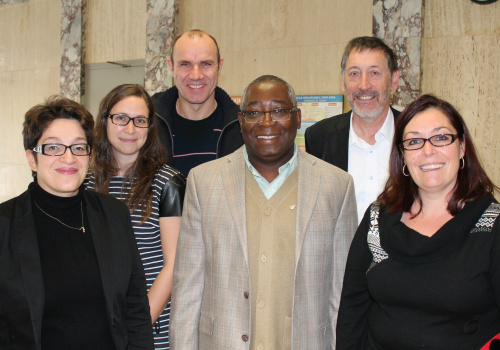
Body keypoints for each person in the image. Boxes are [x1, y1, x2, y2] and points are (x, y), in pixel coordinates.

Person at [170, 75, 358, 349]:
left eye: (279, 111)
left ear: (297, 117)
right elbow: (188, 287)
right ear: (241, 121)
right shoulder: (204, 182)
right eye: (254, 112)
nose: (267, 122)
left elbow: (342, 293)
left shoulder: (336, 186)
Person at [336, 94, 500, 349]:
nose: (427, 151)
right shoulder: (378, 218)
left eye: (441, 138)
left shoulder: (492, 225)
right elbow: (352, 310)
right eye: (414, 141)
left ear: (462, 147)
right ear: (402, 155)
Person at [0, 96, 153, 349]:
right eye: (53, 147)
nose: (69, 158)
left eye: (78, 147)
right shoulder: (5, 225)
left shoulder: (114, 214)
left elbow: (135, 307)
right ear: (31, 158)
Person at [86, 84, 185, 350]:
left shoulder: (168, 183)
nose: (130, 129)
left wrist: (134, 326)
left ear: (150, 127)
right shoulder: (85, 184)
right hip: (97, 327)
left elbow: (173, 265)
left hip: (151, 327)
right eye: (121, 118)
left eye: (140, 120)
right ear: (105, 121)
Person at [305, 36, 400, 222]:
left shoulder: (414, 135)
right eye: (354, 74)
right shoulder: (318, 137)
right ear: (343, 83)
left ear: (394, 81)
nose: (364, 85)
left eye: (374, 73)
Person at [152, 29, 243, 177]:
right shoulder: (146, 125)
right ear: (171, 67)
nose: (196, 75)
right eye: (185, 64)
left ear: (219, 67)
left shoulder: (243, 129)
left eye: (206, 64)